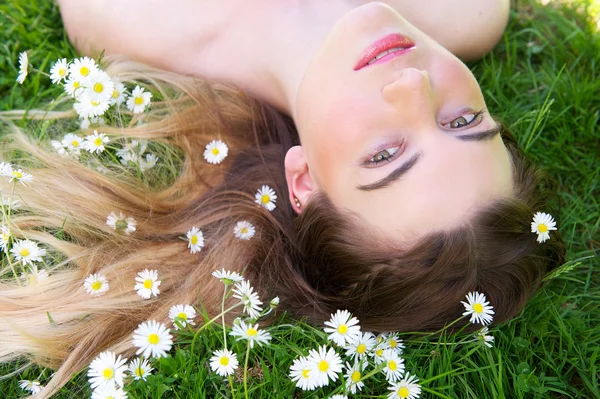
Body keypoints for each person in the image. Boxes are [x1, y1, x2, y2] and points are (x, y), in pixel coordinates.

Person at [0, 1, 564, 397]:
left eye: (385, 155)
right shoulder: (471, 11)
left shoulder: (133, 17)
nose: (414, 87)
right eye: (463, 120)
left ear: (304, 183)